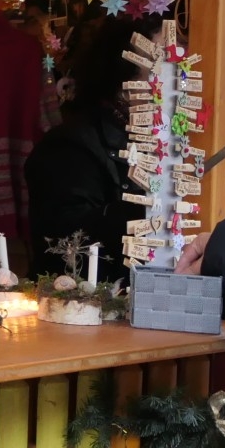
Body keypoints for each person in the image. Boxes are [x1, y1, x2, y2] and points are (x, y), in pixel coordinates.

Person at [24, 15, 157, 278]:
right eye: (159, 71)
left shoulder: (167, 144)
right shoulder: (69, 146)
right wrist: (148, 210)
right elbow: (66, 242)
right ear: (123, 83)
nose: (176, 85)